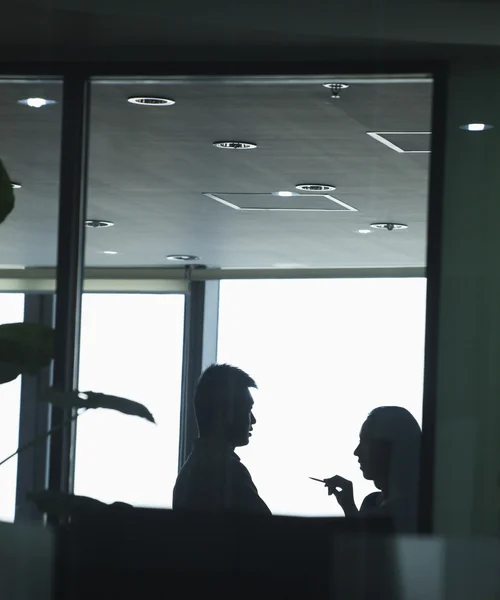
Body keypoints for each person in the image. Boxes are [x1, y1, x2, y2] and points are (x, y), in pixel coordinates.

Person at [173, 363, 271, 515]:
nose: (253, 419)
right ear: (225, 413)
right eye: (247, 409)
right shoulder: (228, 473)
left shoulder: (188, 474)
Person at [324, 406, 421, 532]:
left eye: (366, 441)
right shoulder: (371, 502)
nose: (356, 452)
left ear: (392, 446)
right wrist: (348, 506)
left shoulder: (411, 512)